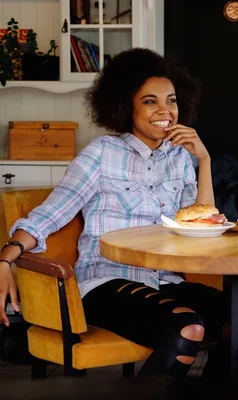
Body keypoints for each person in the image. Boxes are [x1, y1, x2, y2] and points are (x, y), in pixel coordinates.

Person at [0, 48, 225, 378]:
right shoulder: (102, 154)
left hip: (163, 278)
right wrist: (7, 257)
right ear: (126, 106)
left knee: (236, 316)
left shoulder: (179, 158)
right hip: (105, 280)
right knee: (187, 327)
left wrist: (203, 160)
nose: (165, 110)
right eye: (150, 101)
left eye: (171, 100)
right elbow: (52, 213)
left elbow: (201, 222)